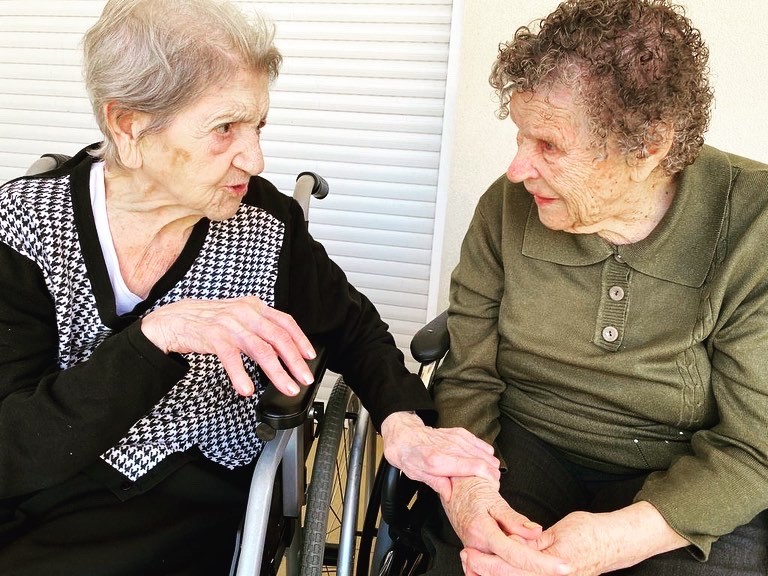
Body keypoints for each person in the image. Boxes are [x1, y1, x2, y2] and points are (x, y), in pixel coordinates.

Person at [0, 1, 501, 574]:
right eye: (224, 129)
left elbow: (353, 328)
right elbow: (13, 449)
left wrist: (402, 422)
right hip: (41, 490)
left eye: (257, 126)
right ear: (128, 125)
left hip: (179, 499)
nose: (255, 158)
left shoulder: (262, 222)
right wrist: (155, 337)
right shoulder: (23, 227)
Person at [423, 0, 768, 575]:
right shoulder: (506, 208)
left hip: (689, 471)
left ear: (648, 147)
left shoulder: (754, 227)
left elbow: (754, 445)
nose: (516, 170)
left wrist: (621, 539)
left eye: (549, 146)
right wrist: (472, 495)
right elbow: (468, 377)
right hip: (523, 446)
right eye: (520, 137)